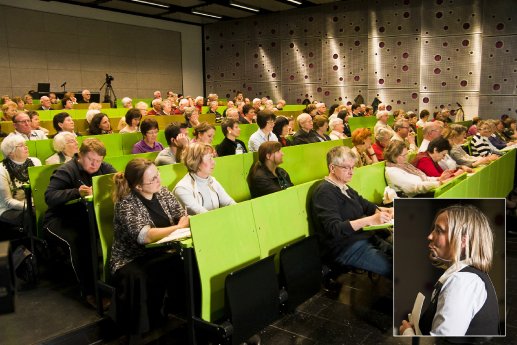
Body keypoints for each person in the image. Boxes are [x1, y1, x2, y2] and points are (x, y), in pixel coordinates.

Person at [110, 158, 189, 336]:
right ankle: (146, 329)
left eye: (157, 174)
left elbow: (181, 215)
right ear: (138, 186)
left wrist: (182, 222)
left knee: (189, 262)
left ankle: (184, 314)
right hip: (132, 258)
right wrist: (177, 228)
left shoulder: (163, 192)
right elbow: (144, 235)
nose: (158, 180)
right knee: (142, 275)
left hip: (162, 250)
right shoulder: (126, 203)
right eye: (152, 179)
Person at [399, 205, 500, 336]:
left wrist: (407, 333)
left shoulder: (462, 282)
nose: (430, 236)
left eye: (439, 230)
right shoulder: (469, 277)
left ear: (463, 241)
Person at [43, 138, 116, 308]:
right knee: (80, 243)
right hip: (59, 219)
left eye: (99, 160)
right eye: (91, 160)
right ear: (80, 155)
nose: (95, 164)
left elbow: (119, 181)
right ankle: (90, 292)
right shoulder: (66, 170)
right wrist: (76, 192)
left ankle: (115, 283)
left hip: (86, 217)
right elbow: (50, 197)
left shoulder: (104, 168)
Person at [310, 146, 393, 278]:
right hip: (346, 247)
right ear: (332, 168)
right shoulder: (324, 192)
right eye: (346, 168)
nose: (351, 172)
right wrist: (370, 220)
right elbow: (334, 229)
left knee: (401, 255)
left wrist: (386, 210)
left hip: (364, 237)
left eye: (352, 167)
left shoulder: (344, 186)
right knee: (394, 268)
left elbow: (365, 205)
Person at [173, 143, 235, 215]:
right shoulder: (182, 188)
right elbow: (203, 215)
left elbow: (228, 202)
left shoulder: (212, 180)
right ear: (197, 162)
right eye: (209, 158)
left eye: (212, 158)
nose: (213, 162)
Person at [0, 136, 41, 236]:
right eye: (21, 146)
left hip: (34, 204)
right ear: (11, 152)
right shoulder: (2, 169)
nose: (26, 147)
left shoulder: (35, 161)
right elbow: (8, 202)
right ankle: (35, 247)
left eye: (25, 145)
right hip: (9, 209)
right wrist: (30, 207)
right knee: (33, 215)